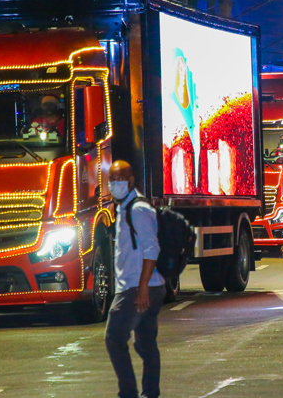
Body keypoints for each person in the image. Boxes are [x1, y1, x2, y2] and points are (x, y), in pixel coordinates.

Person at [105, 160, 165, 398]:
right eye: (111, 180)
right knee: (146, 345)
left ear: (130, 181)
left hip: (137, 288)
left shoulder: (138, 209)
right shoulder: (123, 208)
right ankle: (150, 394)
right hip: (143, 286)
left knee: (114, 338)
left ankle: (128, 393)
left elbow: (152, 249)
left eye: (118, 179)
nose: (113, 184)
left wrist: (142, 290)